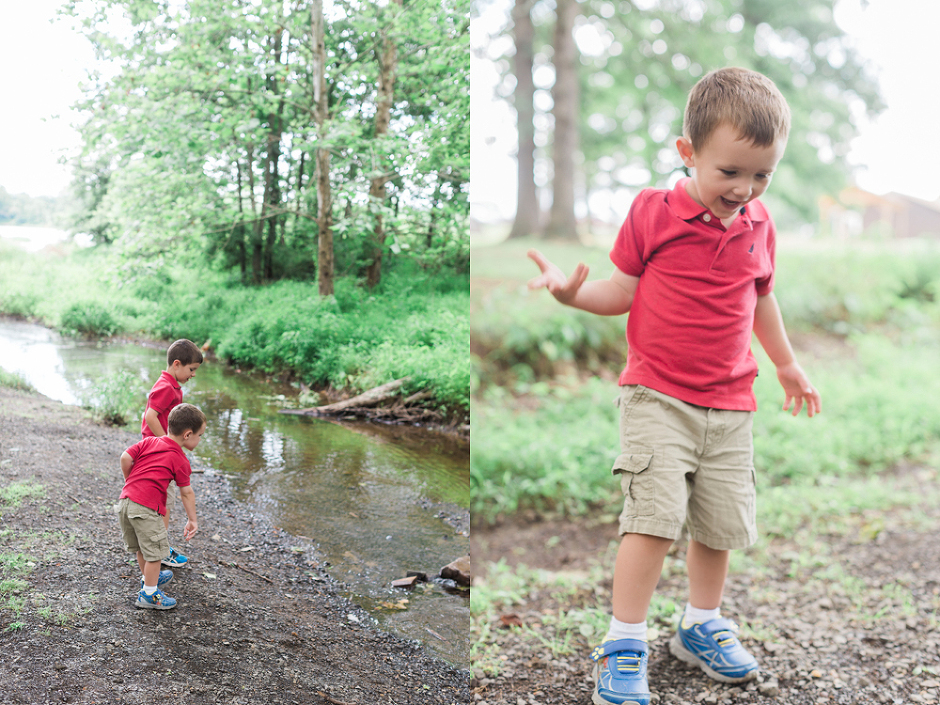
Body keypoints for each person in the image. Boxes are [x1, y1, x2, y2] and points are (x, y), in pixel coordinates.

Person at [527, 67, 822, 705]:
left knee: (719, 527)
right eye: (730, 172)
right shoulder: (651, 213)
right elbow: (620, 293)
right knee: (654, 522)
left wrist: (786, 364)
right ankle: (624, 640)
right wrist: (574, 295)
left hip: (731, 404)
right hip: (657, 396)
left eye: (761, 175)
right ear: (687, 153)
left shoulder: (758, 224)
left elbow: (762, 299)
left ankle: (700, 623)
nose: (745, 189)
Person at [117, 403, 206, 610]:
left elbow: (125, 457)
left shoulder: (149, 442)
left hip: (125, 503)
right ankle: (149, 595)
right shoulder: (180, 459)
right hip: (145, 509)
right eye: (200, 435)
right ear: (187, 434)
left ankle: (149, 580)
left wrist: (129, 481)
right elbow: (186, 492)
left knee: (142, 548)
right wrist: (192, 520)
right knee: (156, 553)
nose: (200, 439)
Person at [141, 338, 203, 568]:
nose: (193, 374)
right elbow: (150, 417)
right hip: (158, 452)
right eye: (191, 369)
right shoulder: (166, 387)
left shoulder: (171, 385)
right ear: (177, 364)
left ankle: (160, 545)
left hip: (159, 449)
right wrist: (168, 444)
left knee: (162, 500)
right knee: (163, 501)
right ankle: (160, 549)